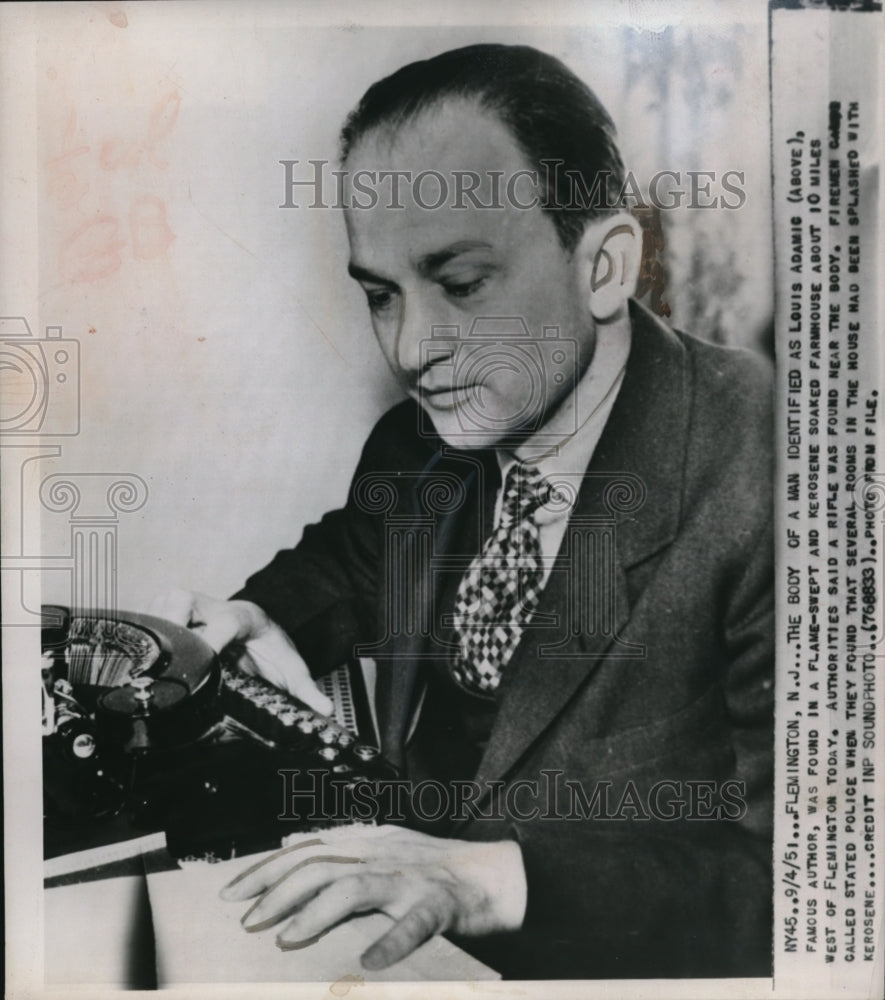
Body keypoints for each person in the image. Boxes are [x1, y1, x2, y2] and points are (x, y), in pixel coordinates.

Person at [153, 43, 774, 979]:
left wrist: (491, 881)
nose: (410, 348)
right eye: (379, 295)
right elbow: (351, 554)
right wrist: (263, 616)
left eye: (461, 284)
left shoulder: (778, 475)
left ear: (603, 265)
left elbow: (816, 898)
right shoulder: (419, 446)